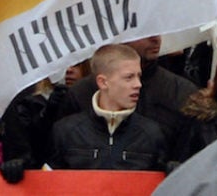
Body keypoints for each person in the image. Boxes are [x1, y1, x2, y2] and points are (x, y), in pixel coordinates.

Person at [49, 43, 169, 171]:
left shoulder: (151, 133)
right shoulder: (66, 131)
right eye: (129, 77)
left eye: (139, 76)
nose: (138, 84)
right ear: (103, 82)